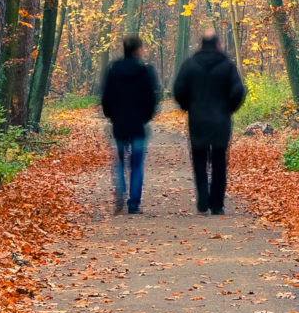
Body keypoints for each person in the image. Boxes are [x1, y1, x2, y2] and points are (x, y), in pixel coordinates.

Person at [170, 30, 247, 215]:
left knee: (199, 159)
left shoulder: (190, 65)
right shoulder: (227, 66)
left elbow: (178, 89)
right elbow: (238, 91)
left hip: (198, 119)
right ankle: (217, 204)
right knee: (219, 160)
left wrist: (187, 106)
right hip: (221, 120)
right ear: (218, 44)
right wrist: (229, 107)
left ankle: (203, 199)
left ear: (201, 44)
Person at [97, 34, 160, 214]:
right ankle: (133, 203)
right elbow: (152, 98)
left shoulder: (113, 69)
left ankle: (120, 191)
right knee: (136, 164)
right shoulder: (145, 71)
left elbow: (106, 97)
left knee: (119, 161)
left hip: (119, 122)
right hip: (138, 123)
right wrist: (146, 116)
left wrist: (110, 114)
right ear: (137, 50)